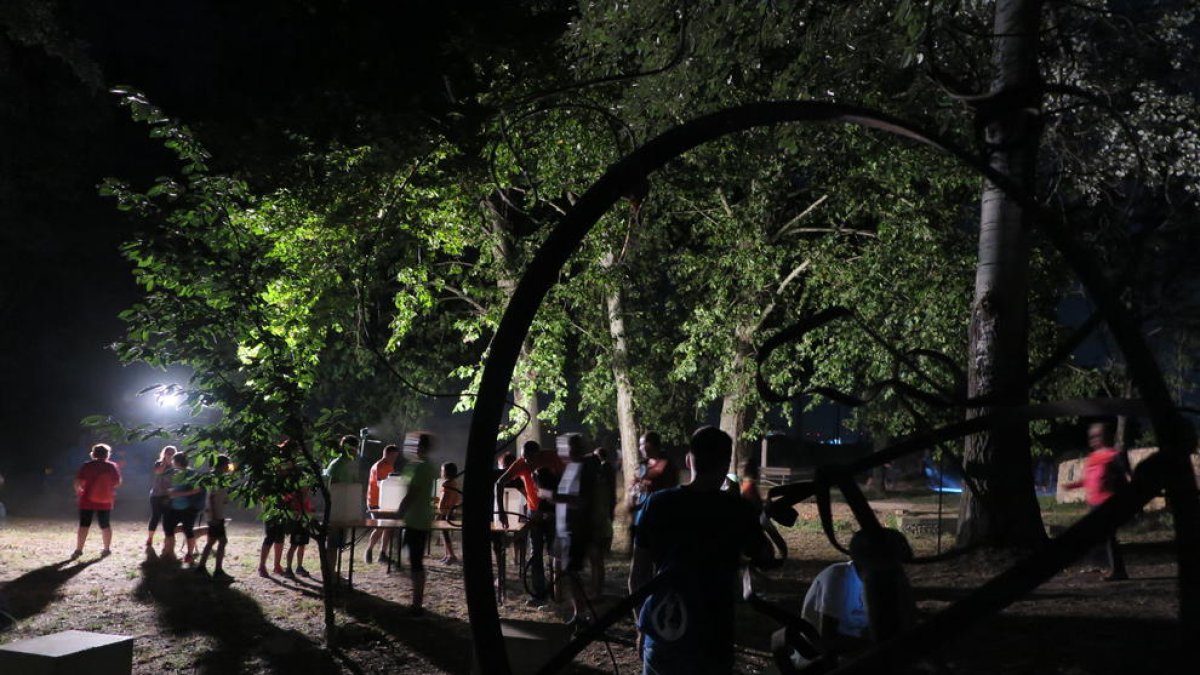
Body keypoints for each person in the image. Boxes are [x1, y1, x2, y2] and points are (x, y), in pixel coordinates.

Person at [629, 426, 773, 674]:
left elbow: (637, 576)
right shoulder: (737, 510)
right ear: (726, 463)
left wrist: (643, 626)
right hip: (712, 633)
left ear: (689, 459)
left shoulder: (658, 503)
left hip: (664, 626)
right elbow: (766, 556)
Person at [495, 440, 563, 606]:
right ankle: (539, 594)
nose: (526, 462)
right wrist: (502, 512)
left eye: (529, 458)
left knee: (555, 555)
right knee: (536, 552)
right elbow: (499, 483)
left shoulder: (552, 457)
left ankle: (557, 593)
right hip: (534, 511)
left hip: (554, 509)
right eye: (524, 458)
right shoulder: (521, 464)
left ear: (538, 454)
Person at [1063, 422, 1130, 581]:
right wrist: (1073, 485)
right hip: (1094, 503)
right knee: (1095, 536)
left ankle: (1118, 571)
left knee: (1108, 537)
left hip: (1108, 503)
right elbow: (1089, 480)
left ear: (1107, 436)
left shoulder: (1114, 455)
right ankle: (1101, 566)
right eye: (1091, 436)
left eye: (1097, 436)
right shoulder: (1093, 458)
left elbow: (1125, 478)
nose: (1093, 439)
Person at [554, 433, 602, 629]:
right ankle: (579, 612)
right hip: (566, 530)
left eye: (564, 446)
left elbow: (580, 501)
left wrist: (552, 495)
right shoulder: (572, 467)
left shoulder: (582, 469)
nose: (561, 450)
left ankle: (581, 615)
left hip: (576, 531)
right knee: (570, 573)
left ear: (573, 448)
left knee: (573, 572)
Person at [396, 432, 438, 616]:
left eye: (414, 445)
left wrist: (400, 509)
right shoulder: (422, 466)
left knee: (415, 562)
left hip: (418, 520)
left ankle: (417, 604)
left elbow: (413, 493)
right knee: (413, 560)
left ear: (422, 447)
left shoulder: (422, 468)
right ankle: (416, 599)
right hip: (417, 519)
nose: (411, 448)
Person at [72, 443, 123, 559]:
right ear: (107, 454)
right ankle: (106, 549)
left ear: (93, 454)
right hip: (105, 501)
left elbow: (77, 482)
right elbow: (118, 482)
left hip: (86, 500)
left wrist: (79, 492)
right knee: (105, 525)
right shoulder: (111, 466)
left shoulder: (87, 465)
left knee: (84, 525)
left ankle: (79, 550)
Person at [195, 455, 234, 582]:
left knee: (211, 542)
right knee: (222, 541)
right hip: (216, 516)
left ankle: (201, 567)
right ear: (222, 465)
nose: (228, 467)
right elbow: (211, 497)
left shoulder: (219, 478)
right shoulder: (216, 478)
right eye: (227, 464)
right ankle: (218, 570)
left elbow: (217, 495)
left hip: (217, 514)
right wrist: (214, 516)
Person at [164, 452, 205, 564]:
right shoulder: (177, 473)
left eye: (173, 460)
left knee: (188, 531)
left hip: (188, 508)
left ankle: (189, 555)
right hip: (175, 507)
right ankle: (169, 553)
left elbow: (197, 490)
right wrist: (171, 493)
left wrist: (178, 494)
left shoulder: (191, 473)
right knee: (168, 529)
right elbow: (175, 489)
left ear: (177, 461)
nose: (172, 462)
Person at [364, 443, 401, 564]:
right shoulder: (379, 466)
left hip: (386, 502)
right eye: (393, 456)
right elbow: (381, 484)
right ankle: (369, 550)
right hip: (375, 502)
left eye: (396, 457)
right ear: (387, 454)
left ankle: (382, 554)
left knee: (388, 528)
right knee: (380, 528)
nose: (395, 459)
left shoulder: (390, 466)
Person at [589, 446, 618, 596]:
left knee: (596, 560)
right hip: (604, 521)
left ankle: (597, 592)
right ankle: (597, 590)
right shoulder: (606, 477)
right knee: (598, 560)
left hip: (598, 524)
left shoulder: (598, 483)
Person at [146, 445, 177, 548]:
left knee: (167, 518)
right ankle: (150, 538)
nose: (170, 455)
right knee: (155, 516)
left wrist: (172, 464)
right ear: (164, 453)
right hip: (156, 494)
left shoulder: (176, 467)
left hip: (168, 496)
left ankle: (167, 539)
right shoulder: (158, 463)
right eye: (168, 453)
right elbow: (158, 472)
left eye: (172, 453)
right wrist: (165, 463)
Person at [437, 462, 461, 564]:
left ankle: (451, 555)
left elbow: (444, 500)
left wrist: (440, 508)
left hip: (445, 513)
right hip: (451, 511)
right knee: (444, 534)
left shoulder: (446, 484)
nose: (441, 472)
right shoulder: (454, 483)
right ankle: (447, 554)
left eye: (442, 470)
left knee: (445, 534)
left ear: (446, 472)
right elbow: (456, 498)